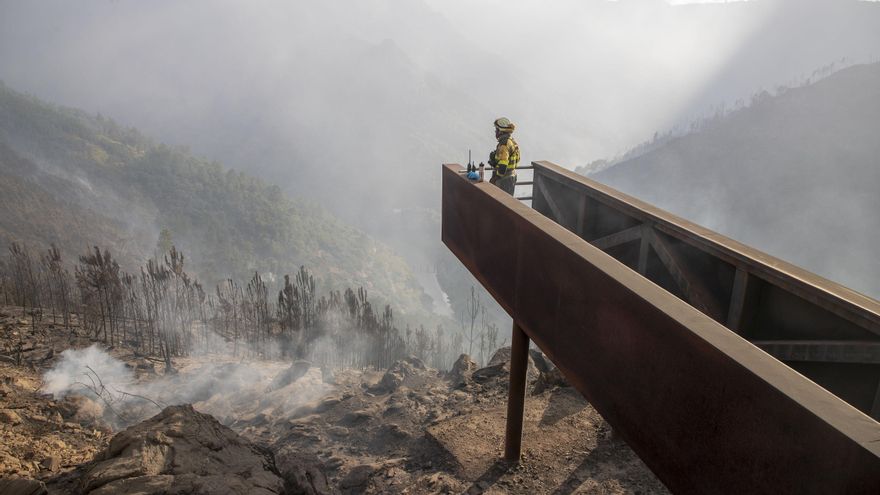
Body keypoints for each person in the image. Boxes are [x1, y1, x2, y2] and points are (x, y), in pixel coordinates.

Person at [488, 117, 520, 195]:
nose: (495, 132)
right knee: (508, 201)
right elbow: (516, 159)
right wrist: (495, 162)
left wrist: (495, 178)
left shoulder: (504, 145)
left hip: (504, 179)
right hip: (511, 176)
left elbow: (503, 163)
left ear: (501, 132)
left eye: (496, 130)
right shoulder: (511, 141)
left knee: (501, 202)